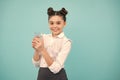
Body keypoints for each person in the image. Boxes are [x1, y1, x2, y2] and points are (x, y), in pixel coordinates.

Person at [32, 7, 72, 80]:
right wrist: (37, 50)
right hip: (42, 76)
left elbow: (56, 69)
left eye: (58, 23)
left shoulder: (66, 42)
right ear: (48, 23)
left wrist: (42, 49)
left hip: (58, 77)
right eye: (51, 23)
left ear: (64, 23)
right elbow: (36, 64)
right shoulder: (43, 37)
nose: (54, 26)